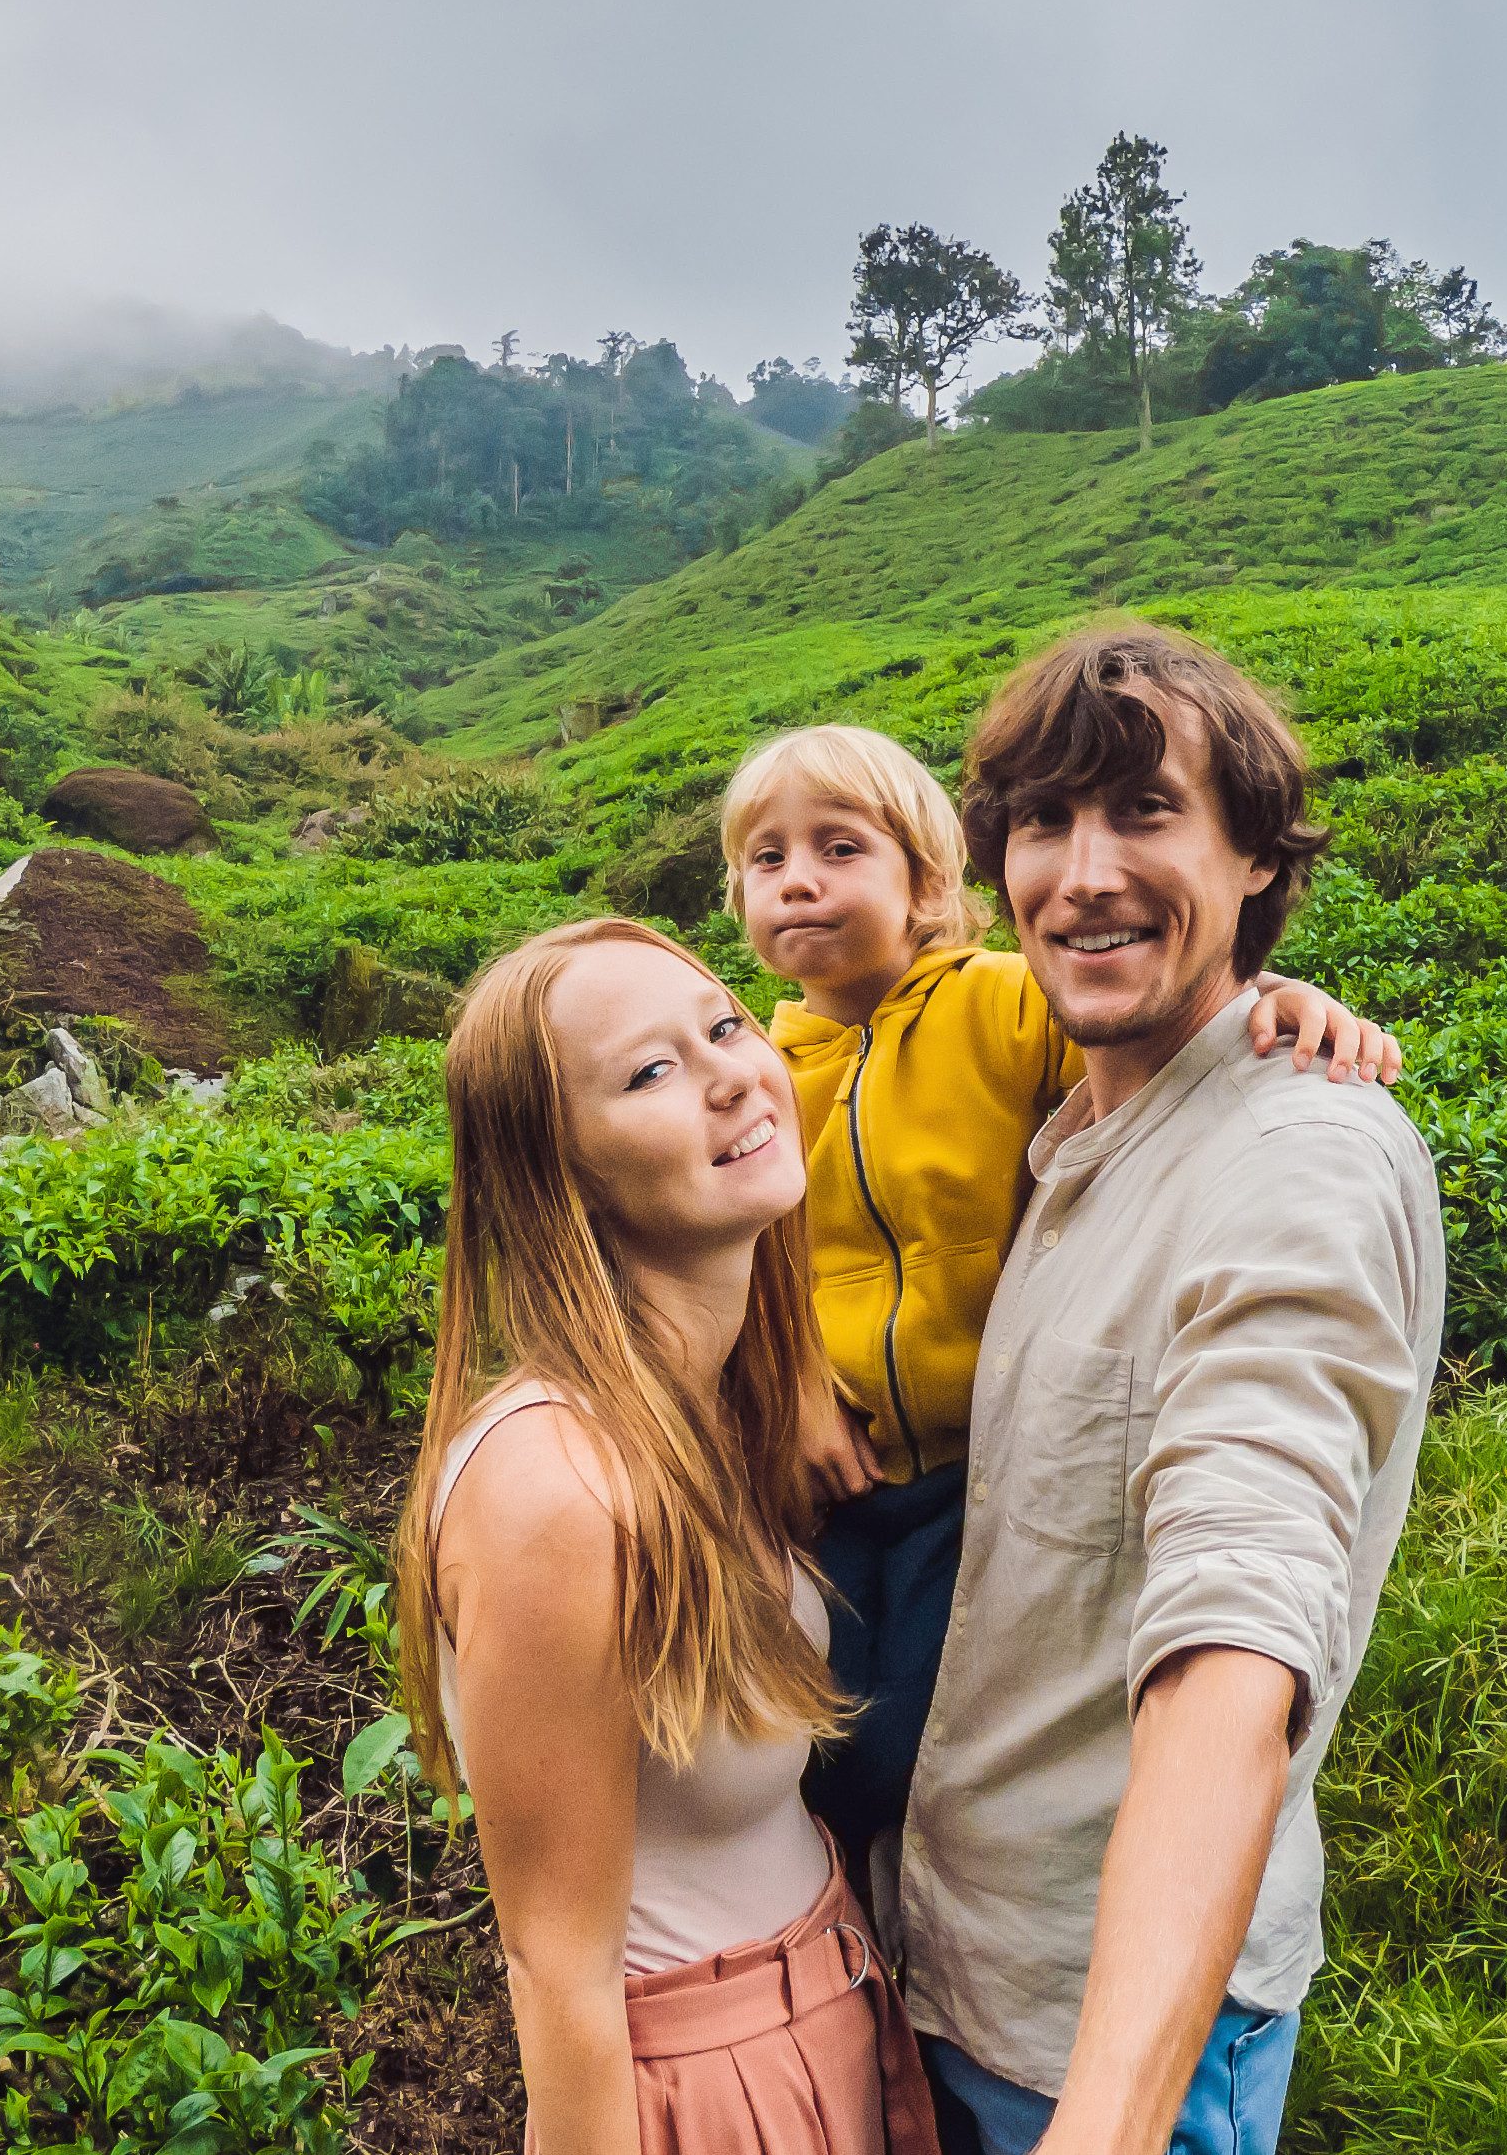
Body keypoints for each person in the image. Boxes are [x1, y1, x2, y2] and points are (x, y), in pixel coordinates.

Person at [896, 629, 1445, 2155]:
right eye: (1044, 822)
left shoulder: (1297, 1165)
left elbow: (1238, 1630)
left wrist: (1111, 2120)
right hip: (952, 1965)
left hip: (1108, 2041)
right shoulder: (1061, 1130)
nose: (1082, 872)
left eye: (1146, 812)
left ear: (1257, 851)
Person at [716, 725, 1401, 1898]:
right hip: (836, 1477)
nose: (799, 879)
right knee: (802, 1737)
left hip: (974, 1473)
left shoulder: (1002, 1001)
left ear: (929, 883)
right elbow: (741, 1254)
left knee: (906, 1748)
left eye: (839, 847)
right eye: (766, 858)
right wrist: (785, 1383)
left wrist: (1285, 1001)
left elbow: (1159, 1013)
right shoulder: (763, 1064)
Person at [395, 917, 936, 2155]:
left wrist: (1246, 1008)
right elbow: (558, 1968)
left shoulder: (713, 1409)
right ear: (563, 1172)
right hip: (703, 2082)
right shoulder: (556, 1484)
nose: (734, 1072)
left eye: (725, 1025)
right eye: (649, 1071)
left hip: (829, 2008)